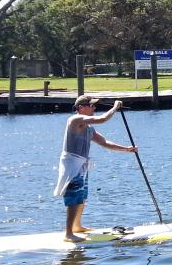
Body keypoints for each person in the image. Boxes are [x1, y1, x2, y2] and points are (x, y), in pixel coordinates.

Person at [53, 96, 137, 242]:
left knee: (82, 196)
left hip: (82, 165)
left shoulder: (89, 128)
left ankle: (77, 226)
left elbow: (105, 142)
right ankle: (68, 234)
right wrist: (115, 107)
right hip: (71, 164)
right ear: (80, 107)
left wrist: (126, 149)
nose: (94, 108)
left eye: (94, 106)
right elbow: (103, 119)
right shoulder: (75, 120)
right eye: (91, 106)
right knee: (73, 197)